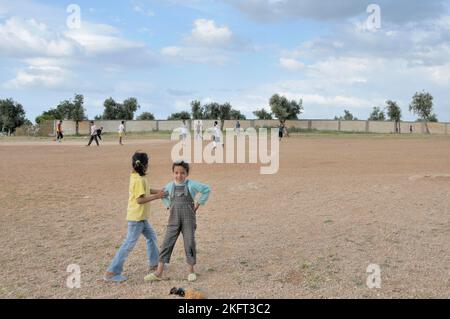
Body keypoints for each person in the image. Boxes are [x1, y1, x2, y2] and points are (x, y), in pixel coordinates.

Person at [104, 152, 166, 282]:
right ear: (146, 166)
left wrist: (160, 192)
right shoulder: (138, 179)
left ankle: (154, 264)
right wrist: (157, 196)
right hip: (136, 218)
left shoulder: (136, 176)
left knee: (151, 237)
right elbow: (139, 200)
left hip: (141, 217)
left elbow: (146, 190)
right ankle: (111, 272)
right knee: (128, 244)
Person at [144, 161, 211, 283]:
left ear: (187, 174)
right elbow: (163, 195)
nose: (179, 175)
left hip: (189, 219)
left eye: (182, 173)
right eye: (176, 173)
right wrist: (168, 206)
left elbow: (207, 189)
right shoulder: (169, 186)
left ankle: (191, 271)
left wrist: (199, 204)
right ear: (173, 173)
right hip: (173, 219)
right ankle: (158, 272)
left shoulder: (191, 185)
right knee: (166, 243)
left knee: (189, 243)